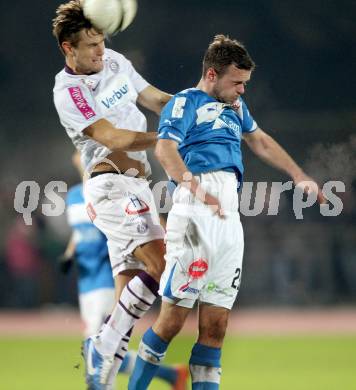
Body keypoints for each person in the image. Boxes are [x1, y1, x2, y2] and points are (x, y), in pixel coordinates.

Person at [128, 34, 326, 389]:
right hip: (194, 216)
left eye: (245, 83)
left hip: (228, 220)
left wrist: (299, 175)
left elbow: (260, 141)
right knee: (173, 321)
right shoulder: (184, 103)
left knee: (216, 327)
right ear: (211, 75)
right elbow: (165, 150)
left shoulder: (236, 109)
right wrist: (194, 187)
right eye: (237, 82)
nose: (242, 90)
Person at [52, 1, 172, 388]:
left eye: (102, 41)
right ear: (68, 49)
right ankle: (101, 345)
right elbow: (112, 137)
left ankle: (99, 374)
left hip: (137, 184)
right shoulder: (68, 92)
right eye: (90, 46)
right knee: (163, 263)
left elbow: (154, 98)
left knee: (126, 311)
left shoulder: (116, 61)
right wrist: (167, 137)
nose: (100, 51)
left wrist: (196, 109)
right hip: (111, 185)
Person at [60, 152, 188, 389]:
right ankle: (170, 375)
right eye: (76, 154)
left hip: (105, 275)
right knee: (105, 336)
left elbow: (134, 223)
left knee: (103, 338)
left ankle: (109, 381)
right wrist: (69, 253)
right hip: (85, 280)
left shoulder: (112, 191)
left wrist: (167, 234)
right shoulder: (74, 197)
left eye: (82, 153)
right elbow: (80, 231)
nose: (77, 157)